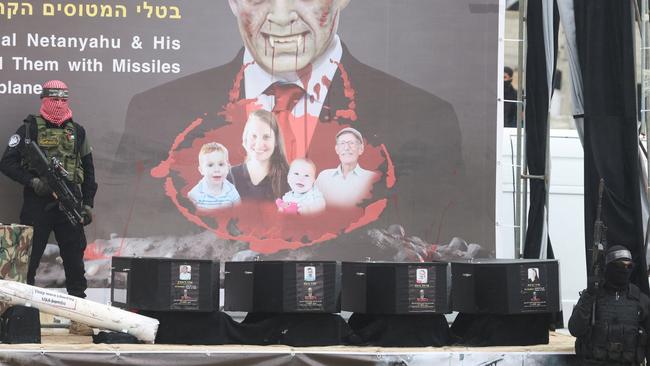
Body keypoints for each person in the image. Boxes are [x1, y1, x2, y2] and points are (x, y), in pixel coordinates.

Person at [108, 0, 463, 256]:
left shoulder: (426, 118)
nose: (280, 17)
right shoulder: (155, 112)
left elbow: (440, 247)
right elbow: (131, 241)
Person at [0, 80, 97, 335]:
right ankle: (23, 319)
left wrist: (87, 204)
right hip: (37, 203)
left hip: (69, 201)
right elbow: (7, 163)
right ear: (43, 99)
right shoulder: (28, 129)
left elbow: (88, 171)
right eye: (54, 99)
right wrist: (32, 181)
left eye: (63, 100)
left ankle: (80, 317)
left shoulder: (78, 132)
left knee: (75, 261)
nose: (58, 105)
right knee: (27, 262)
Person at [569, 245, 650, 365]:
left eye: (629, 266)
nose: (625, 269)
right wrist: (588, 296)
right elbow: (575, 329)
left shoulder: (641, 300)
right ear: (608, 267)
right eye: (620, 266)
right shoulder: (593, 296)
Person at [230, 110, 290, 201]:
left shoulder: (291, 177)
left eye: (266, 137)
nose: (259, 144)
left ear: (276, 141)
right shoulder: (230, 175)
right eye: (254, 136)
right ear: (245, 138)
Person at [316, 127, 378, 208]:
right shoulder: (324, 177)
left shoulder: (372, 179)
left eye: (351, 143)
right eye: (342, 143)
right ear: (337, 149)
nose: (346, 148)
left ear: (361, 149)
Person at [188, 142, 241, 210]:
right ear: (201, 170)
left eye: (221, 164)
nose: (216, 169)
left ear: (228, 168)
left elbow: (239, 211)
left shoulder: (231, 190)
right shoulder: (195, 194)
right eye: (210, 165)